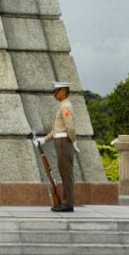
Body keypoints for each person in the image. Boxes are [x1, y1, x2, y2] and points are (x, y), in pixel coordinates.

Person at [35, 81, 77, 212]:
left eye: (56, 91)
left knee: (66, 173)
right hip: (61, 140)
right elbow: (56, 130)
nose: (55, 94)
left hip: (64, 141)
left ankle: (67, 203)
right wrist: (44, 140)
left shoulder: (65, 107)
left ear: (63, 91)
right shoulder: (62, 106)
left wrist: (73, 140)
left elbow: (69, 127)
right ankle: (66, 202)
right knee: (63, 172)